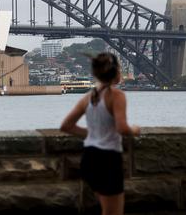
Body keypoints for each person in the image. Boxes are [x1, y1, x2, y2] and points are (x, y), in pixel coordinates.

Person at [60, 52, 141, 215]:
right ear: (117, 72)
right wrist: (135, 130)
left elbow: (66, 126)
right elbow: (122, 128)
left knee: (107, 210)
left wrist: (93, 134)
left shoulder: (89, 97)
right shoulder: (116, 95)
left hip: (89, 159)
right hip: (108, 160)